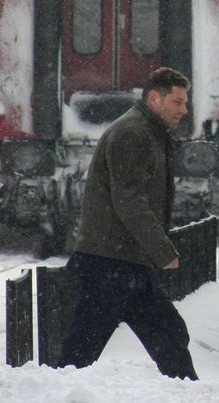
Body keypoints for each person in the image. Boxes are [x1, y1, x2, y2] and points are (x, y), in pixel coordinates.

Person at [56, 67, 198, 380]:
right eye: (177, 102)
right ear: (155, 99)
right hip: (110, 262)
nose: (183, 110)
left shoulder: (147, 132)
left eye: (185, 103)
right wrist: (162, 250)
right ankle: (54, 399)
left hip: (125, 262)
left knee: (170, 336)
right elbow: (129, 200)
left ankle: (191, 397)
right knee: (81, 352)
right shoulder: (133, 133)